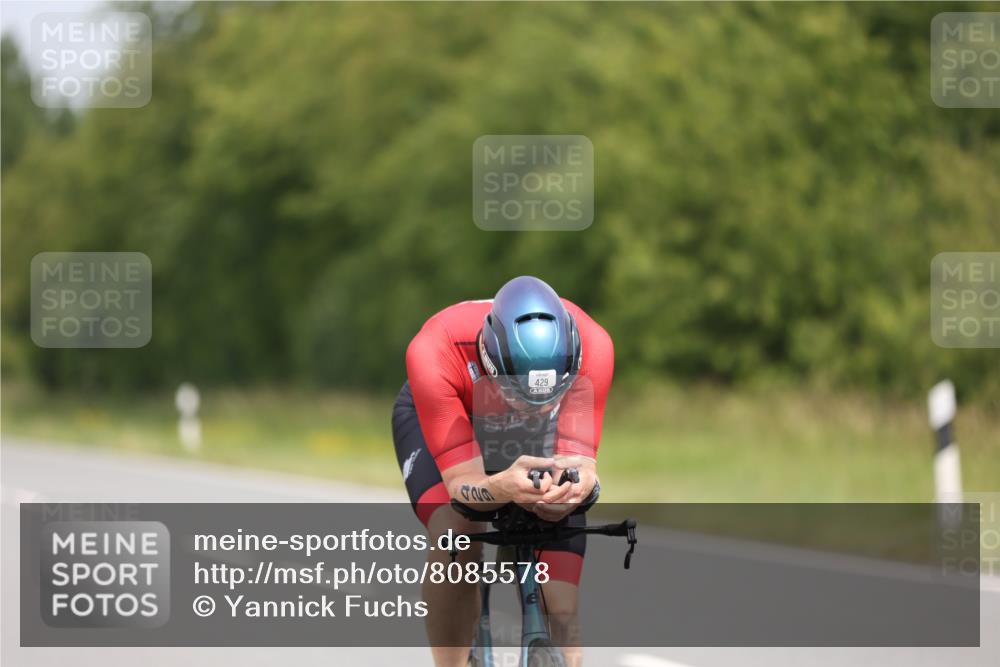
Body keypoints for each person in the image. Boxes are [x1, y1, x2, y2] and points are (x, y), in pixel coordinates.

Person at [392, 275, 614, 667]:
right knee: (457, 534)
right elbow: (462, 485)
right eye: (519, 396)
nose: (534, 409)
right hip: (453, 418)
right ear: (488, 360)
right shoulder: (434, 350)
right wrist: (501, 488)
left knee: (561, 605)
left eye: (551, 397)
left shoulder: (595, 345)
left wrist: (574, 490)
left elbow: (582, 465)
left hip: (542, 434)